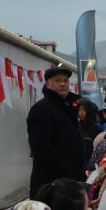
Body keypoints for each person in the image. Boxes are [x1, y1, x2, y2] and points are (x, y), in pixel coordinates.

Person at [27, 66, 84, 198]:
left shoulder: (67, 107)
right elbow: (39, 144)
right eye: (58, 81)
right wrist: (62, 167)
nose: (63, 84)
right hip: (51, 184)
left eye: (65, 80)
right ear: (48, 84)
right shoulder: (42, 108)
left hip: (68, 183)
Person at [79, 99, 102, 165]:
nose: (81, 112)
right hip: (79, 163)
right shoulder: (76, 126)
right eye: (79, 110)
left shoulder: (97, 128)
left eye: (83, 110)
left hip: (93, 164)